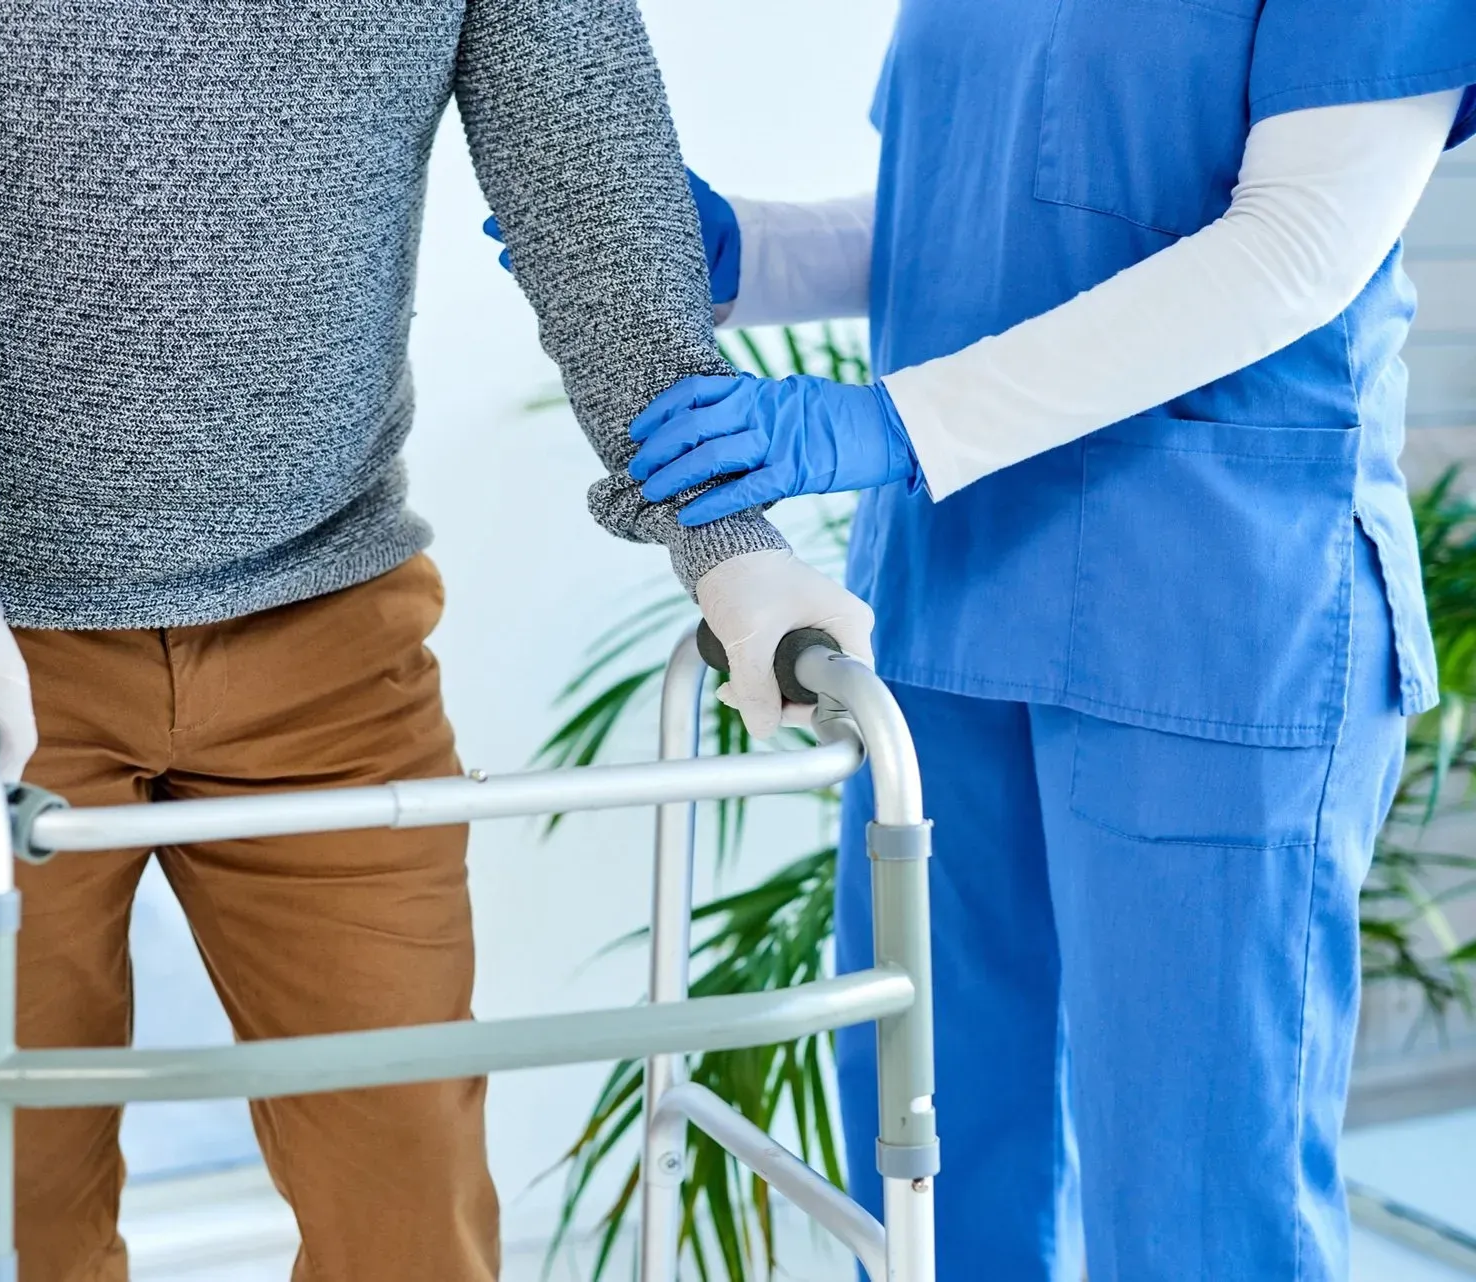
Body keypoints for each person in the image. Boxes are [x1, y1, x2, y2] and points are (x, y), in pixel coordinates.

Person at [0, 3, 878, 1280]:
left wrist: (729, 542)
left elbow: (589, 180)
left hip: (329, 627)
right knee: (10, 1229)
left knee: (412, 1207)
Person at [493, 7, 1476, 1280]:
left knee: (1199, 1212)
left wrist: (894, 421)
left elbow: (1295, 243)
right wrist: (756, 252)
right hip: (953, 601)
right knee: (932, 1177)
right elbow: (975, 220)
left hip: (1209, 616)